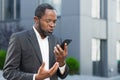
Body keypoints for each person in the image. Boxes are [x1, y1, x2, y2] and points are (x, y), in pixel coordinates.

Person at [3, 3, 69, 80]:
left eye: (54, 21)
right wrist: (35, 77)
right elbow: (8, 72)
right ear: (36, 20)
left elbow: (63, 75)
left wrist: (61, 62)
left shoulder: (57, 40)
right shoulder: (19, 39)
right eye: (48, 21)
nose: (52, 25)